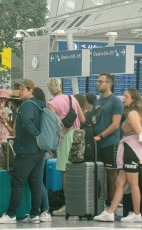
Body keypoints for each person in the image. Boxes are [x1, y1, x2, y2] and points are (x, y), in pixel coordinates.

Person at [94, 88, 142, 223]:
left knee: (133, 184)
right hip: (130, 148)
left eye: (126, 96)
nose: (123, 98)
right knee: (120, 182)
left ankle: (137, 214)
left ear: (133, 99)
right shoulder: (137, 113)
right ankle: (110, 212)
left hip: (132, 149)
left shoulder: (132, 113)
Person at [0, 79, 47, 224]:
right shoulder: (40, 104)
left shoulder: (27, 104)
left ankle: (11, 215)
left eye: (23, 89)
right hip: (39, 150)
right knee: (35, 182)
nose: (20, 91)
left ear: (31, 91)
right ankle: (35, 214)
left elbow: (28, 123)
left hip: (27, 149)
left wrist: (36, 135)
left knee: (17, 181)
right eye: (19, 89)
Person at [46, 78, 85, 217]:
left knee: (65, 171)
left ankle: (69, 205)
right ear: (61, 86)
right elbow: (83, 118)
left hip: (65, 137)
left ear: (50, 90)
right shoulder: (72, 98)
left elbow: (54, 126)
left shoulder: (51, 104)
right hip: (78, 135)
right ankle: (80, 203)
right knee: (78, 169)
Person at [92, 73, 123, 206]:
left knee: (111, 174)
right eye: (97, 81)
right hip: (96, 143)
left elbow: (115, 124)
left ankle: (113, 203)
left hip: (110, 142)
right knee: (99, 173)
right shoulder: (97, 102)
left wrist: (101, 135)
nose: (97, 83)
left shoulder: (115, 101)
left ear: (108, 84)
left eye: (101, 81)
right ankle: (100, 201)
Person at [30, 87, 52, 222]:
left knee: (37, 181)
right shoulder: (45, 109)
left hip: (35, 148)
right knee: (37, 180)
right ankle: (43, 210)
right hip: (43, 148)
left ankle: (45, 209)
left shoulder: (34, 109)